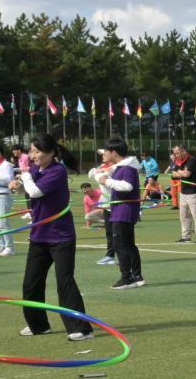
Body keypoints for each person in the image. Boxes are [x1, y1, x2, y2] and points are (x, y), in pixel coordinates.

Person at [15, 132, 94, 341]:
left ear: (50, 152)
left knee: (64, 282)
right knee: (31, 283)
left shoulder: (57, 171)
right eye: (31, 151)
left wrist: (25, 178)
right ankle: (38, 325)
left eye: (37, 151)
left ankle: (81, 328)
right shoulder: (35, 169)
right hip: (39, 236)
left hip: (60, 236)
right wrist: (19, 183)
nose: (33, 155)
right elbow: (29, 189)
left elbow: (36, 192)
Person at [98, 138, 145, 290]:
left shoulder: (127, 168)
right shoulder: (122, 167)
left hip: (123, 211)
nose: (104, 153)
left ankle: (127, 278)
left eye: (106, 151)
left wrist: (107, 181)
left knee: (120, 244)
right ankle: (137, 276)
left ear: (114, 152)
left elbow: (127, 186)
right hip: (122, 210)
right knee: (128, 244)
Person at [169, 145, 196, 243]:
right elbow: (174, 174)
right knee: (184, 216)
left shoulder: (191, 160)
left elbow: (187, 174)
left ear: (183, 151)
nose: (175, 155)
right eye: (174, 153)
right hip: (183, 192)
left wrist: (180, 172)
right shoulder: (178, 161)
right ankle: (186, 236)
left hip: (193, 192)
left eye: (177, 153)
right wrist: (181, 172)